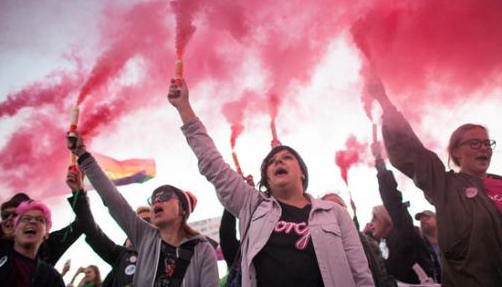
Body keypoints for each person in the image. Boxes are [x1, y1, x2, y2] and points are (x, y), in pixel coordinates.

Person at [168, 78, 374, 287]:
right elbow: (212, 163)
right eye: (272, 162)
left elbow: (360, 272)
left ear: (302, 173)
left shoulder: (335, 213)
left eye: (287, 158)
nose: (278, 161)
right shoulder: (252, 205)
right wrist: (184, 108)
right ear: (266, 179)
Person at [367, 72, 502, 286]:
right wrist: (384, 102)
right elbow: (410, 152)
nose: (484, 148)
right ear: (456, 151)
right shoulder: (445, 186)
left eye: (487, 143)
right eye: (475, 143)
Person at [66, 136, 219, 287]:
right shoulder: (146, 237)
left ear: (183, 210)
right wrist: (83, 155)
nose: (157, 201)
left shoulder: (202, 249)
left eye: (165, 196)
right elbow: (113, 199)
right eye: (153, 199)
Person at [365, 141, 438, 284]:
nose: (371, 222)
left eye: (374, 217)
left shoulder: (404, 234)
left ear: (387, 218)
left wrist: (380, 163)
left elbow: (393, 201)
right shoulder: (383, 244)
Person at [64, 166, 148, 287]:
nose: (140, 226)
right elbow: (92, 231)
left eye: (147, 221)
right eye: (136, 222)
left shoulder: (171, 255)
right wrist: (79, 192)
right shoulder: (121, 256)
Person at [320, 193, 397, 287]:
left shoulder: (369, 243)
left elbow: (383, 276)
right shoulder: (316, 249)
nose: (337, 212)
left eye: (342, 208)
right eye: (330, 209)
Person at [0, 191, 83, 266]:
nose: (9, 218)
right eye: (5, 215)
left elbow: (81, 223)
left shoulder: (49, 247)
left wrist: (78, 191)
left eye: (15, 215)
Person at [0, 199, 65, 286]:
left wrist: (80, 193)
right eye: (26, 219)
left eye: (40, 220)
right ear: (14, 230)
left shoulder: (52, 277)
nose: (32, 221)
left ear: (46, 234)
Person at [414, 209, 442, 282]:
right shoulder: (419, 246)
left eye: (427, 217)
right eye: (420, 219)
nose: (422, 221)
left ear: (437, 219)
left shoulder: (448, 240)